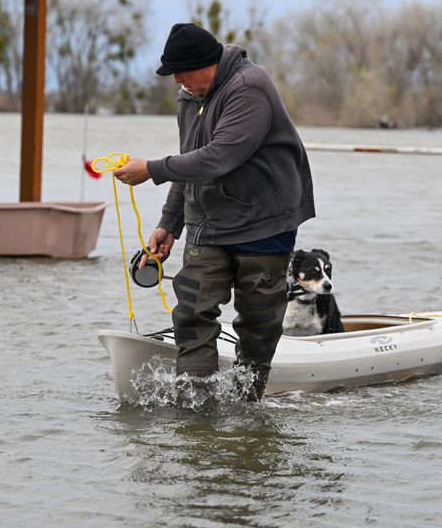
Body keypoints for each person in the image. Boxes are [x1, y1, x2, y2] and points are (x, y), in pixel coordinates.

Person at [113, 22, 314, 399]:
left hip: (264, 221)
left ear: (207, 64)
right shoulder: (190, 95)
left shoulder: (249, 88)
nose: (177, 82)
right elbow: (190, 159)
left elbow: (219, 157)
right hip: (209, 223)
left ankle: (247, 402)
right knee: (191, 310)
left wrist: (151, 169)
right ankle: (196, 407)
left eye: (181, 73)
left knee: (257, 322)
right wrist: (169, 224)